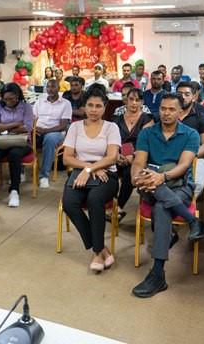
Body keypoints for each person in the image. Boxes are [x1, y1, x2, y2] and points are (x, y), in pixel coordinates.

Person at [131, 93, 204, 298]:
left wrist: (162, 177)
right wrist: (136, 177)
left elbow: (183, 166)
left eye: (172, 109)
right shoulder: (147, 133)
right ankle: (193, 221)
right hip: (150, 184)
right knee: (151, 183)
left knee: (161, 207)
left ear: (181, 112)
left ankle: (157, 274)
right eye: (163, 109)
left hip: (179, 185)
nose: (166, 113)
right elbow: (139, 162)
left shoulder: (191, 134)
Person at [62, 84, 121, 271]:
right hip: (82, 172)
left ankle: (96, 254)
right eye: (90, 105)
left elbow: (112, 157)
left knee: (95, 199)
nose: (94, 110)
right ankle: (101, 248)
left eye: (98, 106)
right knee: (69, 203)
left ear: (105, 107)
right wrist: (88, 168)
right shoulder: (75, 127)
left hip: (107, 175)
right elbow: (67, 158)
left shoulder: (111, 127)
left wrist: (91, 169)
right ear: (84, 106)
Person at [0, 83, 34, 208]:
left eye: (11, 99)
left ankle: (14, 191)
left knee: (14, 154)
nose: (8, 102)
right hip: (2, 141)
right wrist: (16, 124)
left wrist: (4, 127)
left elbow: (27, 127)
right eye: (5, 99)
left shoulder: (26, 107)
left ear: (18, 96)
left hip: (22, 142)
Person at [113, 88, 153, 218]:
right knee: (109, 170)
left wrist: (132, 156)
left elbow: (145, 142)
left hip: (139, 155)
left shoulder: (147, 119)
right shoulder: (117, 119)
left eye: (138, 100)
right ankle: (110, 203)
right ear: (126, 100)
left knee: (128, 173)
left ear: (142, 102)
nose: (134, 103)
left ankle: (118, 207)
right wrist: (118, 155)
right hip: (118, 155)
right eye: (131, 99)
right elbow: (112, 140)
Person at [177, 82, 204, 198]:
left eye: (187, 94)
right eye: (179, 94)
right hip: (169, 154)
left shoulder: (201, 115)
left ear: (194, 97)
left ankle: (179, 206)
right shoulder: (168, 115)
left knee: (196, 184)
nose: (182, 97)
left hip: (196, 156)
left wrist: (188, 156)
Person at [34, 79, 72, 188]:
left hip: (57, 132)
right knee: (26, 139)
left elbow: (63, 125)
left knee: (49, 139)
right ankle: (21, 171)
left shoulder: (65, 103)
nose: (50, 89)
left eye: (53, 87)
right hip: (39, 130)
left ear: (58, 89)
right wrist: (35, 129)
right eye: (48, 87)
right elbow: (32, 118)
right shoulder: (39, 101)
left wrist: (45, 130)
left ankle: (44, 176)